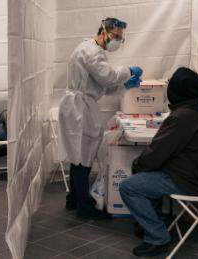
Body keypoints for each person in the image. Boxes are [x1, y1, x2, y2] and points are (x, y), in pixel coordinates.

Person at [119, 67, 198, 257]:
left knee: (129, 186)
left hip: (187, 180)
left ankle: (157, 237)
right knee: (146, 174)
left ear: (178, 90)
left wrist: (138, 164)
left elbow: (156, 154)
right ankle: (151, 224)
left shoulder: (182, 117)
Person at [58, 17, 143, 220]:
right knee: (82, 155)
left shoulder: (92, 50)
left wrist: (124, 85)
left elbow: (102, 84)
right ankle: (84, 207)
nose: (117, 41)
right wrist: (128, 71)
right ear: (104, 31)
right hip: (79, 108)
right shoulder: (90, 51)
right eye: (115, 36)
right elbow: (107, 77)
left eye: (120, 38)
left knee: (78, 154)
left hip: (80, 106)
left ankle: (74, 199)